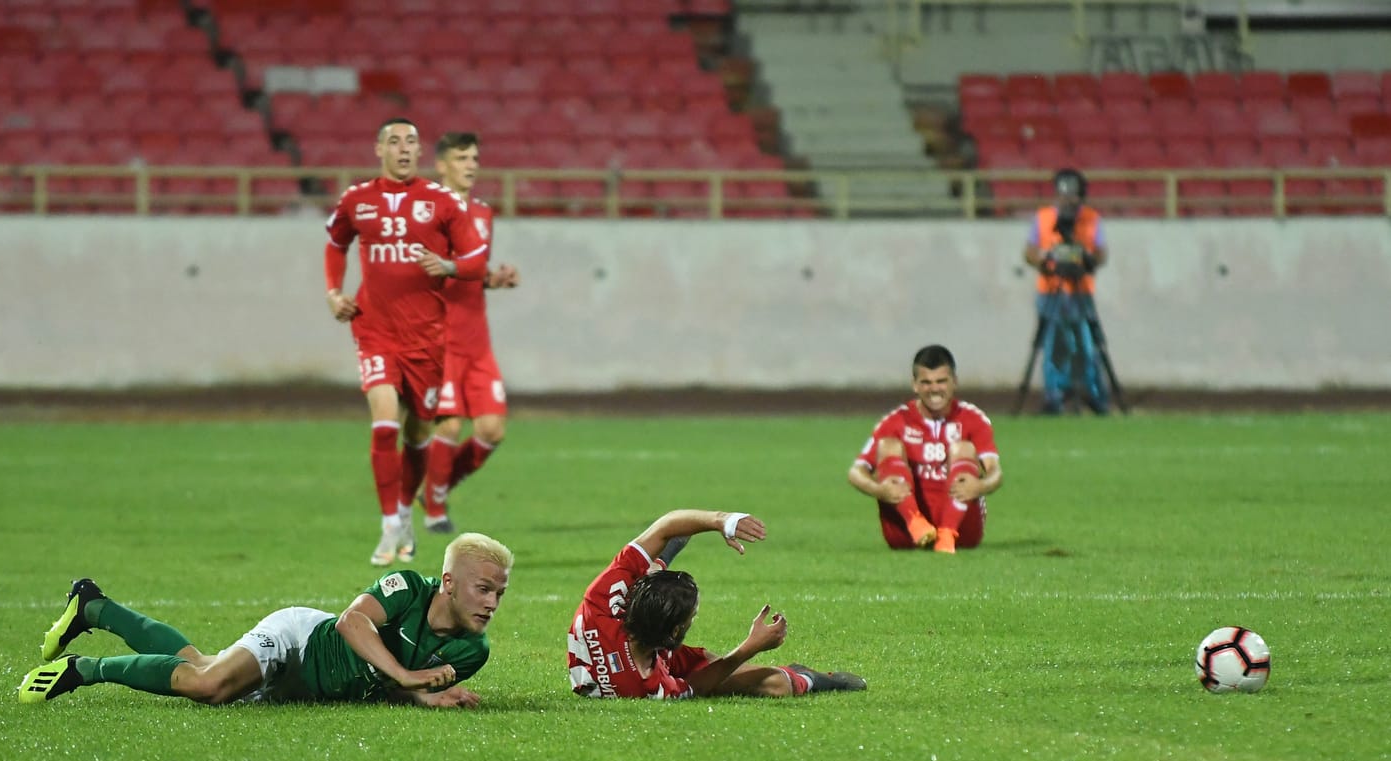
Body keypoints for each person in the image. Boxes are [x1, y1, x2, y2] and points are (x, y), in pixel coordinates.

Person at [17, 532, 514, 709]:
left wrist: (419, 697)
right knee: (209, 686)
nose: (492, 603)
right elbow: (350, 624)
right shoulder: (407, 587)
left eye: (500, 593)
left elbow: (384, 687)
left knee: (196, 661)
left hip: (309, 687)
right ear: (448, 582)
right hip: (298, 640)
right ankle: (85, 669)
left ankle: (93, 607)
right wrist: (410, 678)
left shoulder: (473, 651)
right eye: (483, 588)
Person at [323, 117, 489, 566]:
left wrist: (448, 266)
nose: (402, 148)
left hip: (427, 337)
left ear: (419, 153)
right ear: (379, 149)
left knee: (418, 434)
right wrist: (335, 292)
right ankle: (388, 526)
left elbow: (475, 259)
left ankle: (404, 511)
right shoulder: (357, 199)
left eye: (410, 142)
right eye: (393, 141)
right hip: (374, 329)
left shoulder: (441, 201)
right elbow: (336, 243)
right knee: (384, 422)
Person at [566, 508, 867, 699]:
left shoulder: (602, 600)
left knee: (676, 535)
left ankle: (657, 565)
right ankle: (812, 678)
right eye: (691, 617)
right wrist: (750, 647)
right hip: (645, 660)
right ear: (673, 634)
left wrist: (723, 520)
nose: (694, 619)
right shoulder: (651, 687)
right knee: (776, 684)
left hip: (631, 643)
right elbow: (698, 686)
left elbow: (666, 524)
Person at [402, 131, 520, 534]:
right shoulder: (425, 212)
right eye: (461, 158)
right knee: (449, 425)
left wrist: (492, 278)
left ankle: (435, 488)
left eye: (474, 158)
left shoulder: (483, 214)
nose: (471, 165)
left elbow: (466, 271)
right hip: (441, 339)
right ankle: (435, 510)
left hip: (476, 339)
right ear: (441, 165)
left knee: (491, 430)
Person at [847, 344, 1002, 554]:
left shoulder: (973, 419)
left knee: (963, 449)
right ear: (915, 385)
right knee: (888, 445)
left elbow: (995, 473)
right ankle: (915, 521)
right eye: (926, 382)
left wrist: (980, 486)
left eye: (941, 381)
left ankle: (947, 534)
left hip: (962, 533)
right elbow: (856, 472)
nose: (934, 389)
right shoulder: (896, 421)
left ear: (954, 382)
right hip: (905, 532)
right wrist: (880, 490)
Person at [1021, 168, 1110, 415]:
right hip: (1051, 290)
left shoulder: (1092, 218)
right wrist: (1045, 259)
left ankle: (1094, 394)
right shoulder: (1044, 217)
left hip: (1080, 291)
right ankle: (1055, 395)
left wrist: (1088, 258)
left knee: (1087, 344)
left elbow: (1101, 252)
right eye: (1064, 194)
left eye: (1073, 195)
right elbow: (1029, 251)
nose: (1068, 200)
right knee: (1053, 345)